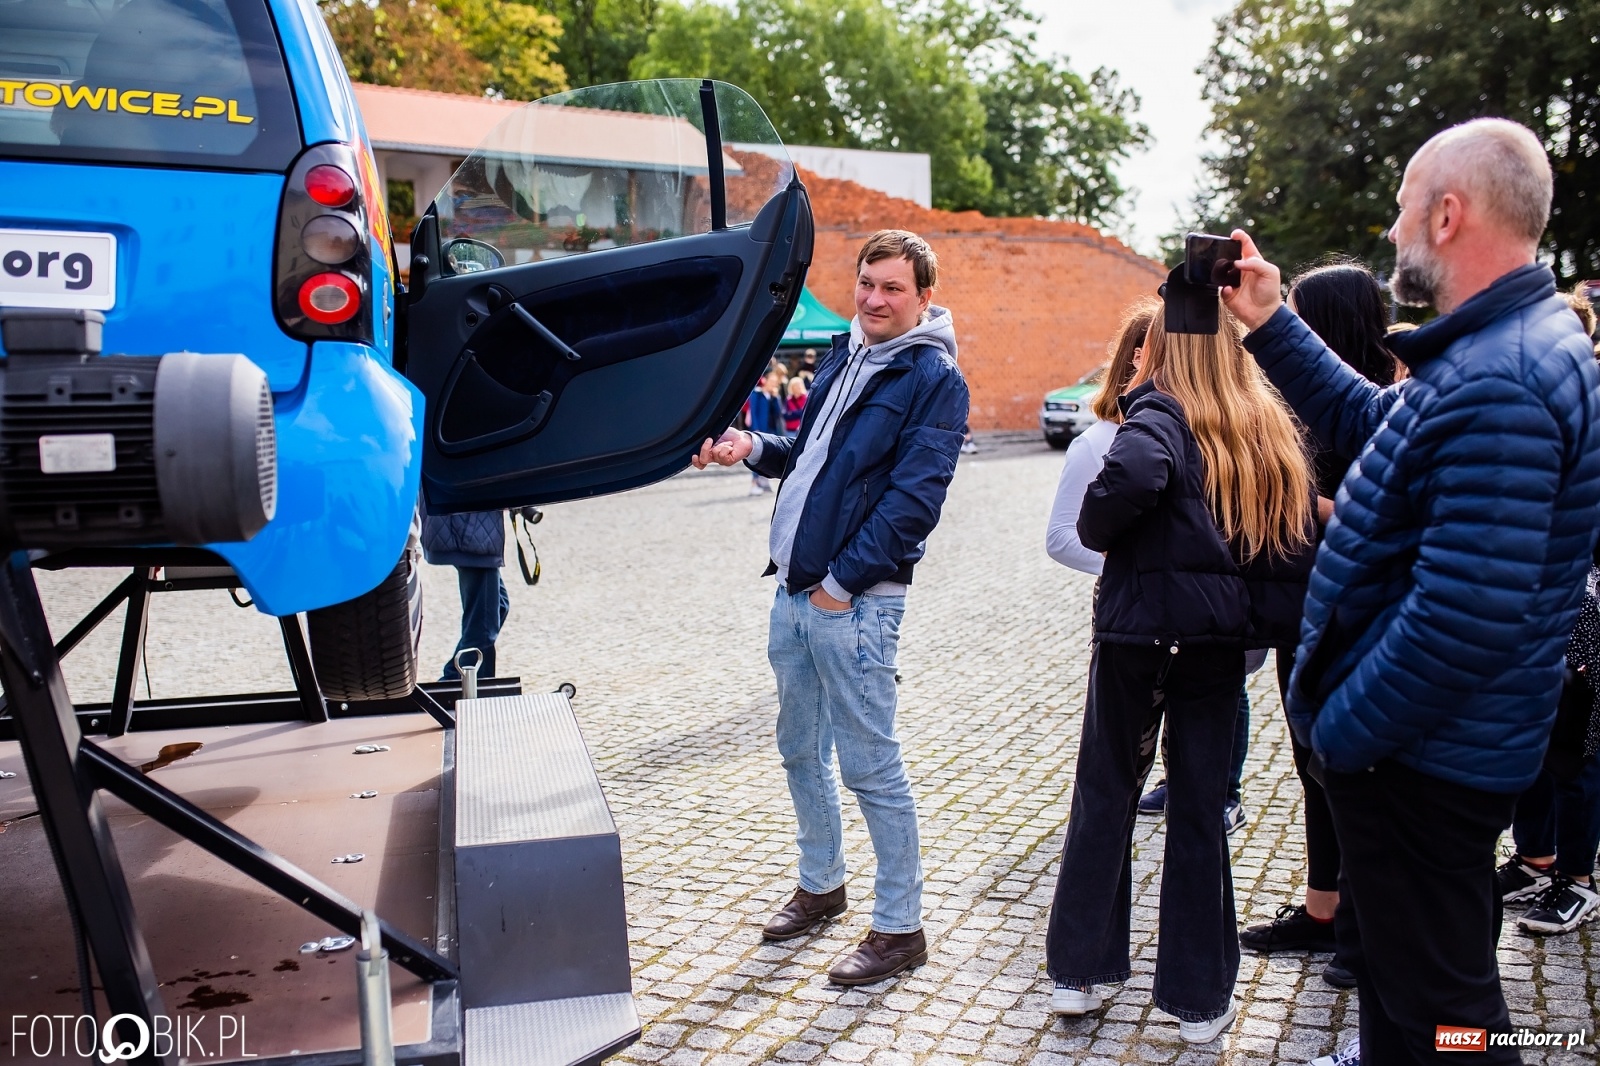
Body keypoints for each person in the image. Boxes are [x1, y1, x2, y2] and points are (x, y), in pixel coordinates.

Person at [1223, 117, 1600, 1066]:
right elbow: (1369, 417)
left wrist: (1342, 734)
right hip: (1430, 753)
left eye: (1402, 210)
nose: (1392, 232)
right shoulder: (1491, 348)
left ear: (1447, 215)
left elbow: (1464, 617)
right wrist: (1272, 320)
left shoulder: (1506, 376)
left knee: (1453, 1023)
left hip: (1422, 762)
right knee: (1405, 992)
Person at [691, 230, 969, 985]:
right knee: (798, 750)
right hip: (792, 590)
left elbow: (913, 505)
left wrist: (840, 586)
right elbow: (810, 458)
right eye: (867, 283)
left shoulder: (933, 379)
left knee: (871, 766)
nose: (875, 299)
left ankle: (900, 928)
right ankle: (822, 885)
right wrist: (751, 446)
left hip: (855, 604)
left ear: (924, 298)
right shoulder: (845, 357)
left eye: (893, 288)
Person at [1045, 297, 1315, 1044]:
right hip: (1215, 643)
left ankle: (1080, 973)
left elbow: (1121, 490)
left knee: (1107, 793)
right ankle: (1198, 999)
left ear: (1161, 351)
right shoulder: (1262, 424)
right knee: (1199, 808)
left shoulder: (1158, 412)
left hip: (1137, 636)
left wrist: (1108, 517)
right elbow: (1287, 540)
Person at [1236, 262, 1397, 991]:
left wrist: (1297, 503)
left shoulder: (1377, 409)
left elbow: (1381, 513)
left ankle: (1363, 929)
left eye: (1300, 312)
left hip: (1353, 615)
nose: (1290, 323)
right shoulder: (1303, 398)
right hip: (1299, 608)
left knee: (1352, 774)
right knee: (1313, 768)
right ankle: (1323, 909)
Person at [421, 510, 510, 679]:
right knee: (483, 623)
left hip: (471, 527)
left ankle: (454, 676)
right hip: (471, 530)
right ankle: (464, 684)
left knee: (498, 606)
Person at [745, 371, 785, 495]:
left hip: (771, 430)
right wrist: (755, 428)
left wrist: (775, 398)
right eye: (771, 381)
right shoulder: (757, 394)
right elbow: (753, 412)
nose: (773, 384)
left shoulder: (774, 396)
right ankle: (754, 483)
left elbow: (778, 413)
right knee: (756, 455)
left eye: (775, 382)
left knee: (768, 455)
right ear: (765, 380)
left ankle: (764, 482)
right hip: (759, 429)